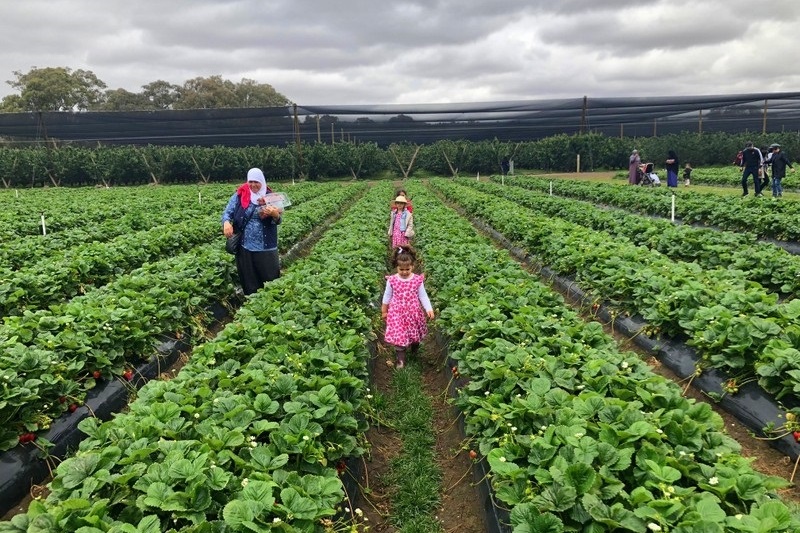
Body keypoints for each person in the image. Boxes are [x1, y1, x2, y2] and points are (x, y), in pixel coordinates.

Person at [222, 168, 282, 295]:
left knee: (271, 281)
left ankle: (271, 307)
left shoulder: (270, 197)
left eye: (257, 182)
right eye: (251, 181)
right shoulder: (240, 195)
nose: (253, 185)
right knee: (249, 281)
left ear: (262, 182)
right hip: (245, 247)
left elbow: (278, 220)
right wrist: (226, 222)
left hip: (266, 247)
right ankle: (252, 307)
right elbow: (227, 212)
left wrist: (275, 214)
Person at [381, 245, 435, 369]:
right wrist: (384, 310)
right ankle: (400, 361)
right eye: (401, 269)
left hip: (413, 313)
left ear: (412, 267)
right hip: (397, 313)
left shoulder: (417, 280)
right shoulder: (392, 280)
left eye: (407, 269)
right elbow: (387, 296)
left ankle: (414, 351)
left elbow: (423, 296)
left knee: (415, 336)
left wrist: (429, 309)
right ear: (396, 267)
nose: (404, 272)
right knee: (399, 337)